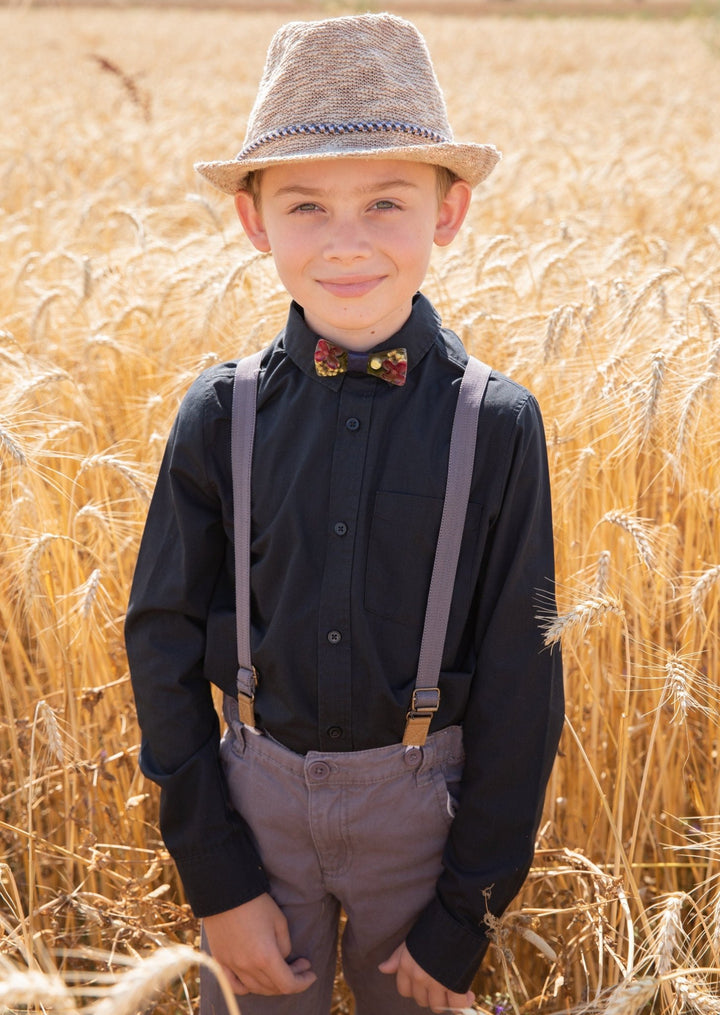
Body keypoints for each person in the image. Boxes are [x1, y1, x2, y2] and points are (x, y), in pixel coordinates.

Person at [125, 12, 564, 1015]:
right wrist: (217, 878)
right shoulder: (220, 412)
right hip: (251, 810)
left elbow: (521, 678)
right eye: (308, 205)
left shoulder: (494, 423)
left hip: (426, 828)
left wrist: (468, 914)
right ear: (255, 222)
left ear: (448, 213)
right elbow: (161, 639)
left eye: (386, 201)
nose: (348, 241)